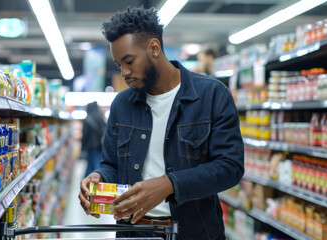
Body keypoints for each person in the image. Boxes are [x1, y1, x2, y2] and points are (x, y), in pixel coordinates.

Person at [78, 6, 244, 240]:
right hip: (133, 232)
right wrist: (98, 177)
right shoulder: (122, 104)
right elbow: (112, 164)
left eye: (129, 61)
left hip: (194, 232)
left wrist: (170, 184)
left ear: (154, 48)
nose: (124, 72)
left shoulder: (212, 95)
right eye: (119, 65)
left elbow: (230, 167)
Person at [81, 101, 106, 178]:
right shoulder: (100, 117)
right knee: (97, 162)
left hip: (90, 146)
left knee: (90, 163)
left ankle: (89, 180)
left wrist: (82, 148)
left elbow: (85, 135)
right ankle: (96, 178)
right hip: (100, 145)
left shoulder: (87, 119)